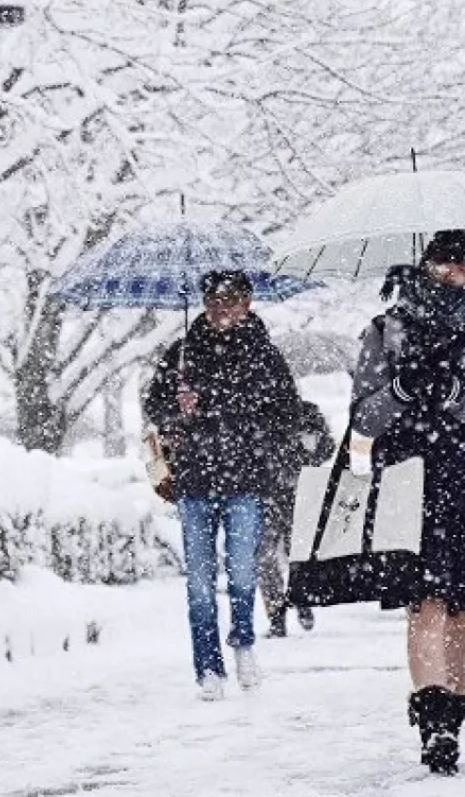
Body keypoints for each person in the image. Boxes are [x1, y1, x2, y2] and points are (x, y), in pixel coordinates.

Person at [350, 229, 465, 775]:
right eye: (446, 263)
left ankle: (453, 712)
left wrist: (456, 396)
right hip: (409, 481)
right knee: (423, 602)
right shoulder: (388, 329)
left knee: (461, 605)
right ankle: (434, 725)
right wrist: (402, 389)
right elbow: (363, 417)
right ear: (426, 265)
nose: (456, 273)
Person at [143, 270, 300, 701]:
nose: (220, 309)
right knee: (198, 581)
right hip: (194, 480)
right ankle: (207, 668)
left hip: (246, 480)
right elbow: (154, 406)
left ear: (247, 303)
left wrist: (224, 411)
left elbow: (287, 414)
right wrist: (177, 410)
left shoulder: (265, 356)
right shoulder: (181, 354)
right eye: (213, 300)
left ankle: (244, 642)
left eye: (230, 300)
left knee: (244, 573)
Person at [258, 398, 336, 638]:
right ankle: (278, 615)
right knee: (268, 557)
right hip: (269, 493)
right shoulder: (258, 412)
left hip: (294, 493)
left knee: (291, 554)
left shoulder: (305, 412)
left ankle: (298, 602)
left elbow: (327, 446)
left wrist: (303, 458)